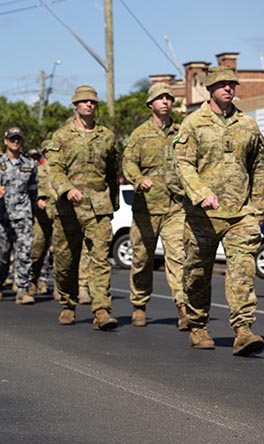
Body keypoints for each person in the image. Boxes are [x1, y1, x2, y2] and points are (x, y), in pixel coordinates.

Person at [174, 66, 264, 356]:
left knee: (242, 271)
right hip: (203, 215)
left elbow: (259, 166)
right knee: (197, 272)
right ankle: (198, 325)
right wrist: (201, 194)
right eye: (222, 84)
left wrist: (258, 208)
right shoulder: (192, 123)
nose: (229, 88)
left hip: (240, 213)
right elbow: (183, 164)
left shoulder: (247, 125)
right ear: (210, 89)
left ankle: (243, 330)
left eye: (232, 84)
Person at [47, 85, 119, 330]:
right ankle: (68, 302)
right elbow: (54, 169)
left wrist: (114, 203)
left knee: (100, 259)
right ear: (75, 105)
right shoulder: (61, 136)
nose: (89, 105)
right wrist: (67, 189)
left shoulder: (107, 136)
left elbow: (112, 172)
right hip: (68, 209)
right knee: (66, 260)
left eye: (93, 102)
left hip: (98, 207)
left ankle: (101, 310)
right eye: (85, 101)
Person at [123, 83, 188, 329]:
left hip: (175, 207)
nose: (165, 101)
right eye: (160, 98)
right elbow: (128, 163)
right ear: (150, 104)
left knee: (178, 258)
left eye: (168, 98)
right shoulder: (139, 134)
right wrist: (139, 180)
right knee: (141, 259)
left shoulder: (181, 133)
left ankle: (183, 308)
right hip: (146, 209)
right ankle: (139, 304)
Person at [0, 128, 37, 304]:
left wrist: (35, 209)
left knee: (25, 252)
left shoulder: (29, 164)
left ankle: (22, 289)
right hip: (2, 215)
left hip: (23, 214)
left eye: (18, 139)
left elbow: (33, 189)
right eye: (12, 139)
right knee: (2, 254)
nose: (16, 142)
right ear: (6, 141)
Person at [28, 146, 54, 297]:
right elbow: (31, 188)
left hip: (60, 216)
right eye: (49, 151)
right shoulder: (38, 170)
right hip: (41, 216)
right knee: (37, 250)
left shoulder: (65, 170)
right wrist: (38, 199)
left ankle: (59, 287)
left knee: (60, 252)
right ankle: (32, 279)